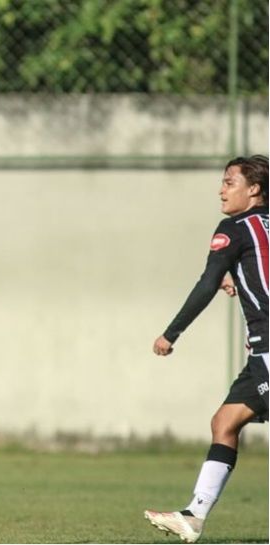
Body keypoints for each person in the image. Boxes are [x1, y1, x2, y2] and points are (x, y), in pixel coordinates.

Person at [144, 155, 268, 544]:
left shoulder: (233, 228)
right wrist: (240, 279)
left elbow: (206, 283)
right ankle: (194, 516)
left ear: (254, 189)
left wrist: (171, 333)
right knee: (225, 423)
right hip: (260, 353)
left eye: (230, 182)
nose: (221, 189)